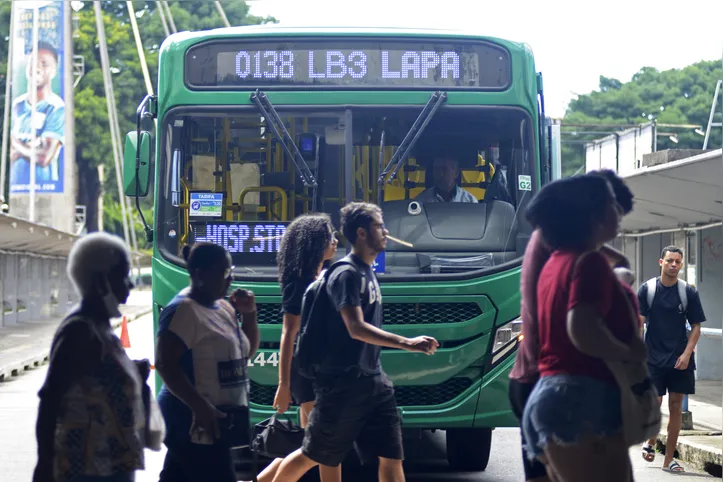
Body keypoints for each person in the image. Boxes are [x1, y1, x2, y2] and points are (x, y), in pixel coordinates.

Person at [270, 202, 440, 482]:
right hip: (342, 384)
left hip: (375, 382)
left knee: (392, 456)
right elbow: (356, 327)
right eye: (379, 226)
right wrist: (407, 343)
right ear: (361, 233)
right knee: (314, 454)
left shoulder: (366, 271)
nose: (385, 231)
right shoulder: (345, 274)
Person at [508, 169, 635, 482]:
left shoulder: (563, 252)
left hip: (543, 384)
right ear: (588, 212)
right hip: (564, 385)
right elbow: (578, 329)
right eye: (611, 205)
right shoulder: (579, 258)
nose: (618, 216)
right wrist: (629, 352)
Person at [33, 232, 144, 482]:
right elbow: (51, 400)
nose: (130, 285)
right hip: (87, 468)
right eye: (123, 276)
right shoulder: (80, 331)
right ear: (101, 280)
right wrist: (44, 463)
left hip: (108, 464)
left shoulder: (100, 326)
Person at [155, 242, 260, 482]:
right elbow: (164, 363)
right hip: (191, 421)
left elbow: (245, 354)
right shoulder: (183, 310)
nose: (230, 278)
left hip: (217, 419)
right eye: (224, 272)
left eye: (230, 270)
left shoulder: (223, 307)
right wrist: (200, 406)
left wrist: (250, 315)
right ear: (200, 275)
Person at [254, 213, 340, 482]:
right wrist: (284, 385)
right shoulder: (300, 283)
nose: (336, 241)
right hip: (308, 375)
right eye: (329, 237)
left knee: (312, 446)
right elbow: (287, 334)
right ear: (315, 243)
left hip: (321, 372)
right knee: (325, 446)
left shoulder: (320, 277)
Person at [638, 246, 705, 473]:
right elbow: (639, 323)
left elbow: (696, 326)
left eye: (678, 261)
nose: (674, 265)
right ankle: (650, 440)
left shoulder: (688, 292)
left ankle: (669, 460)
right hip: (653, 357)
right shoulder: (648, 289)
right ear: (661, 262)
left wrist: (687, 354)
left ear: (682, 264)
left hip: (680, 358)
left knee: (676, 406)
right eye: (670, 261)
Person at [10, 41, 65, 189]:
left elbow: (44, 157)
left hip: (47, 187)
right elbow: (10, 153)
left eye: (44, 64)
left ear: (53, 71)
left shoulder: (56, 107)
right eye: (33, 62)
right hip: (18, 186)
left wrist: (17, 144)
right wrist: (32, 146)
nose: (37, 68)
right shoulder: (17, 105)